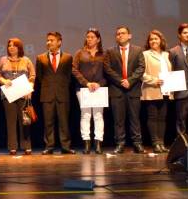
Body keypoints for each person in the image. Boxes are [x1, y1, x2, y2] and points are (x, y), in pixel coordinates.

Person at [104, 26, 146, 154]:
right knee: (118, 120)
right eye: (118, 34)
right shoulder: (110, 51)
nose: (120, 35)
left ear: (129, 36)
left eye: (123, 33)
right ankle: (120, 144)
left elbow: (141, 67)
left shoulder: (138, 50)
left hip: (133, 89)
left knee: (135, 118)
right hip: (117, 90)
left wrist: (130, 80)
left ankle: (137, 144)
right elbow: (108, 69)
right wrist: (121, 81)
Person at [36, 31, 75, 155]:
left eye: (51, 40)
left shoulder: (68, 57)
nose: (49, 42)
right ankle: (49, 146)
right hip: (47, 94)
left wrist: (61, 87)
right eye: (47, 40)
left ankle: (66, 146)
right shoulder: (40, 58)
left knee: (64, 122)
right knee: (48, 122)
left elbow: (69, 76)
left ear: (59, 42)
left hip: (62, 93)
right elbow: (40, 77)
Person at [0, 37, 35, 155]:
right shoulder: (3, 60)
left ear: (19, 48)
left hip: (24, 94)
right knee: (11, 121)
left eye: (14, 45)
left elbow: (32, 75)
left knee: (25, 120)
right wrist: (3, 80)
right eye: (9, 45)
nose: (11, 47)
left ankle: (26, 146)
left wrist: (30, 89)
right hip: (8, 94)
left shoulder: (26, 60)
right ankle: (12, 147)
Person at [72, 28, 108, 154]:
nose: (90, 39)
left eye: (92, 37)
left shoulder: (104, 54)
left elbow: (107, 72)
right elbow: (74, 70)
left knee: (98, 116)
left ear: (98, 39)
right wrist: (86, 83)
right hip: (83, 89)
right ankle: (86, 144)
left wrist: (99, 84)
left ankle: (98, 143)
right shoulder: (80, 53)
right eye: (88, 37)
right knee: (86, 115)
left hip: (99, 89)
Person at [141, 30, 173, 154]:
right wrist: (154, 80)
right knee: (153, 117)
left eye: (156, 39)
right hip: (151, 89)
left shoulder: (166, 55)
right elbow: (141, 73)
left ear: (161, 40)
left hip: (165, 90)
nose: (153, 41)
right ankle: (155, 143)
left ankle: (161, 143)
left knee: (162, 118)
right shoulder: (145, 54)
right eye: (151, 39)